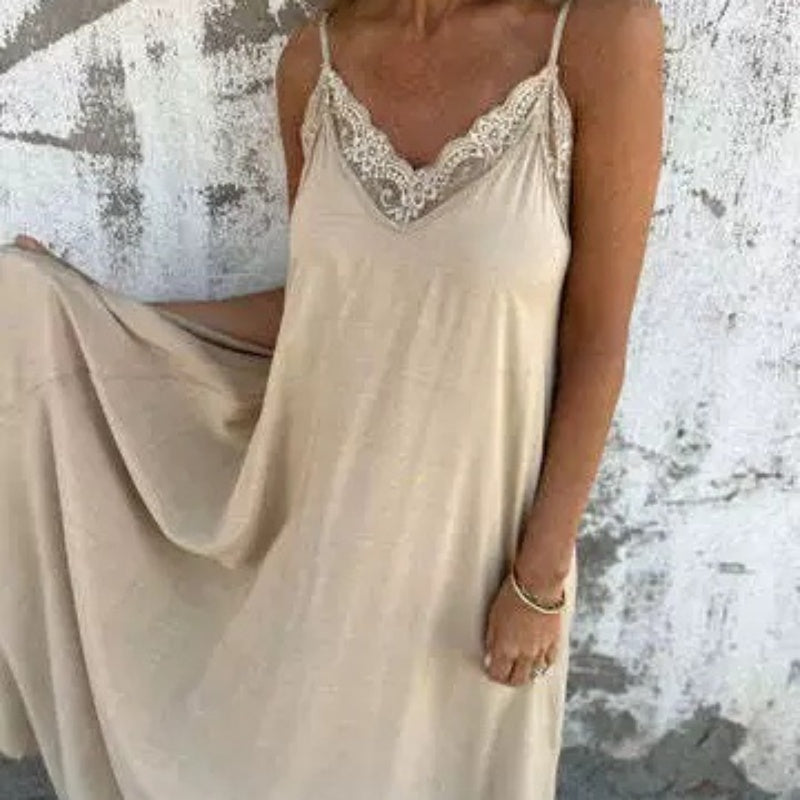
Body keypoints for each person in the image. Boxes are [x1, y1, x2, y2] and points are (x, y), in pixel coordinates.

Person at [2, 0, 664, 797]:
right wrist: (98, 317)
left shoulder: (595, 35)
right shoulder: (311, 64)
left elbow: (597, 340)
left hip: (474, 561)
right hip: (325, 537)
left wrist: (539, 577)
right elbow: (320, 307)